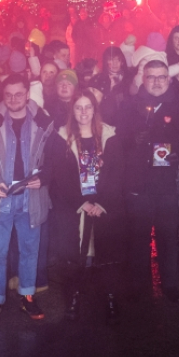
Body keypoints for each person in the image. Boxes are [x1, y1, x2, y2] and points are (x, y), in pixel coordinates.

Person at [0, 75, 53, 322]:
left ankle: (27, 296)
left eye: (18, 94)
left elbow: (56, 157)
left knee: (30, 251)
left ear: (27, 94)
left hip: (31, 197)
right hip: (1, 198)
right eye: (8, 94)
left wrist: (45, 177)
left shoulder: (44, 122)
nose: (13, 99)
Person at [117, 58, 179, 301]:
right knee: (137, 238)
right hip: (137, 183)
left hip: (167, 183)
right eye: (151, 77)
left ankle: (170, 285)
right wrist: (132, 140)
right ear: (143, 78)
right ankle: (139, 288)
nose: (157, 82)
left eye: (162, 77)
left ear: (169, 79)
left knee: (168, 237)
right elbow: (118, 140)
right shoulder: (130, 105)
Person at [49, 90, 126, 324]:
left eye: (88, 107)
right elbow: (60, 177)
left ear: (95, 109)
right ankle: (74, 296)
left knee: (106, 255)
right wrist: (80, 202)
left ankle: (110, 297)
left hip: (103, 204)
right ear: (72, 111)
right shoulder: (61, 138)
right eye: (78, 107)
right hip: (76, 205)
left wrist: (102, 203)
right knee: (75, 256)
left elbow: (117, 173)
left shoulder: (109, 136)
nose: (84, 112)